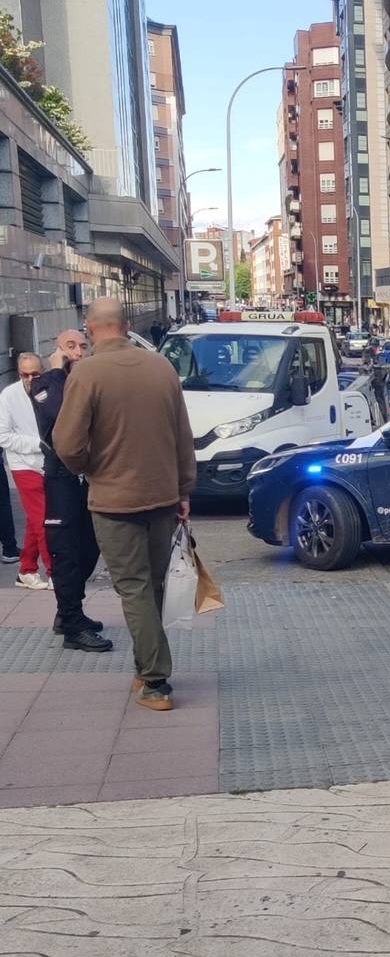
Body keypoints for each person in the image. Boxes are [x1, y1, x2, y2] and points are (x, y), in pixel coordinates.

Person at [53, 298, 197, 712]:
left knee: (132, 588)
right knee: (152, 584)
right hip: (163, 495)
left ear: (89, 328)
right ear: (127, 325)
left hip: (114, 498)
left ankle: (155, 680)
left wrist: (89, 467)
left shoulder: (87, 372)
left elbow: (66, 443)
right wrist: (184, 489)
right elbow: (182, 436)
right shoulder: (161, 367)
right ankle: (144, 666)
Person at [28, 330, 111, 652]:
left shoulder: (86, 382)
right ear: (58, 351)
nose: (78, 352)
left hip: (87, 479)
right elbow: (63, 416)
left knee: (89, 547)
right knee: (65, 553)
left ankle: (69, 614)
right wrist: (57, 369)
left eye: (82, 346)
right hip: (60, 478)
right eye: (70, 347)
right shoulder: (45, 385)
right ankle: (72, 625)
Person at [0, 353, 52, 590]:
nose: (30, 379)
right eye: (24, 374)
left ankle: (27, 570)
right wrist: (37, 445)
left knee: (36, 519)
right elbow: (3, 436)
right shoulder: (9, 396)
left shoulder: (51, 390)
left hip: (49, 463)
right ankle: (54, 573)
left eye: (35, 374)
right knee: (43, 519)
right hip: (23, 465)